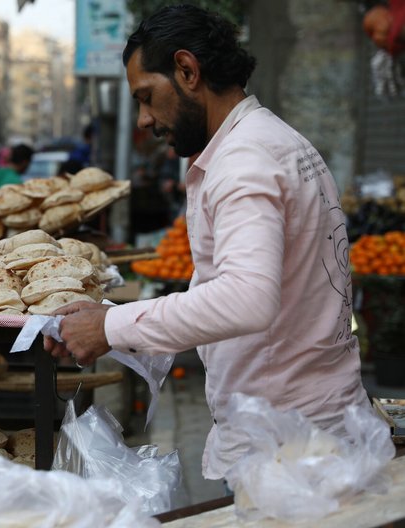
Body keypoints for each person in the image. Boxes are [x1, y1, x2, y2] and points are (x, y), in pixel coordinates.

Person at [45, 5, 370, 485]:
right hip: (305, 431)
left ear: (187, 70)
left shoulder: (244, 160)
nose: (144, 120)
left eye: (148, 97)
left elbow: (246, 298)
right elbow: (224, 291)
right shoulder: (268, 140)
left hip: (292, 450)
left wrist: (111, 325)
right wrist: (111, 328)